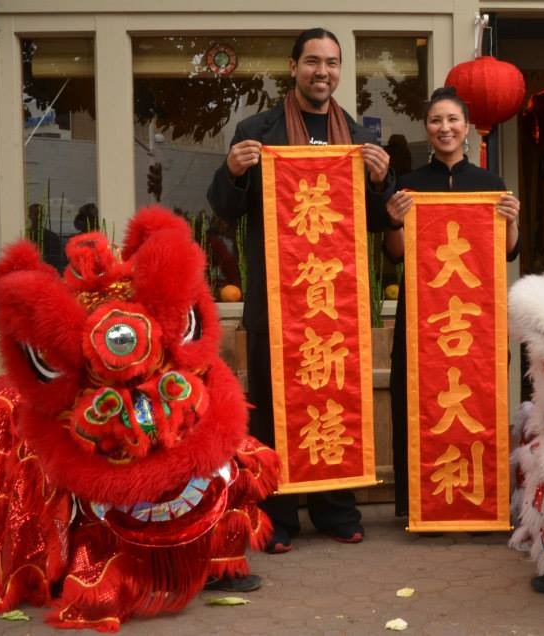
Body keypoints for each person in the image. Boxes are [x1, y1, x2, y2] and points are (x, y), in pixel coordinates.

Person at [207, 28, 395, 569]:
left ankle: (337, 513)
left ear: (339, 72)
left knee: (335, 406)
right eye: (312, 62)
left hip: (335, 305)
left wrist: (382, 182)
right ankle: (279, 516)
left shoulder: (356, 136)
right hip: (277, 301)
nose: (322, 72)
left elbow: (381, 222)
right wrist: (234, 170)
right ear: (293, 67)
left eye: (332, 64)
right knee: (273, 412)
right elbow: (224, 208)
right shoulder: (257, 131)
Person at [384, 86, 521, 521]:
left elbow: (507, 251)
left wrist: (511, 220)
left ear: (466, 129)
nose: (445, 128)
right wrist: (392, 218)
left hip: (473, 324)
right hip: (422, 320)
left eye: (452, 120)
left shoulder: (489, 186)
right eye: (436, 121)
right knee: (415, 403)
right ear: (427, 129)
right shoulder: (409, 186)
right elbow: (395, 252)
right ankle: (417, 505)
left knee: (475, 405)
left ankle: (477, 501)